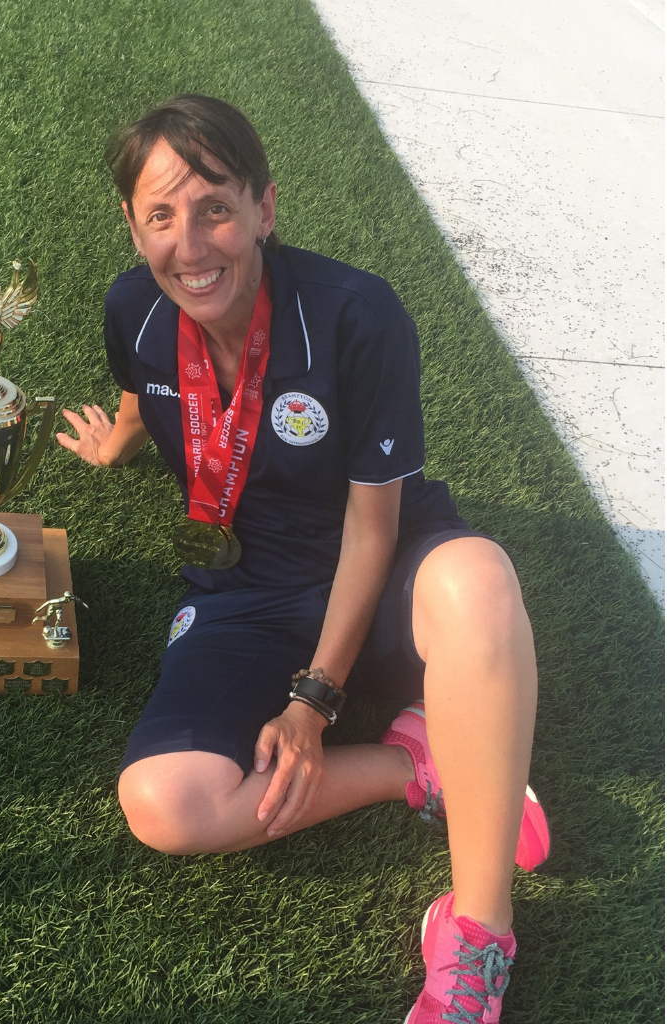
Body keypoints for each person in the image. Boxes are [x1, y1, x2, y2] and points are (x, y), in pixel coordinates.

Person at [57, 94, 549, 1023]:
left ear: (264, 208)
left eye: (215, 208)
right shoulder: (132, 307)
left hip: (384, 573)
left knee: (480, 579)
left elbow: (373, 526)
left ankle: (477, 931)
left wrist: (312, 701)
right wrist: (117, 442)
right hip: (243, 591)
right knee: (164, 803)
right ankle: (417, 762)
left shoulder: (355, 314)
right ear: (132, 224)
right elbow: (140, 388)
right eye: (160, 217)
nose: (190, 246)